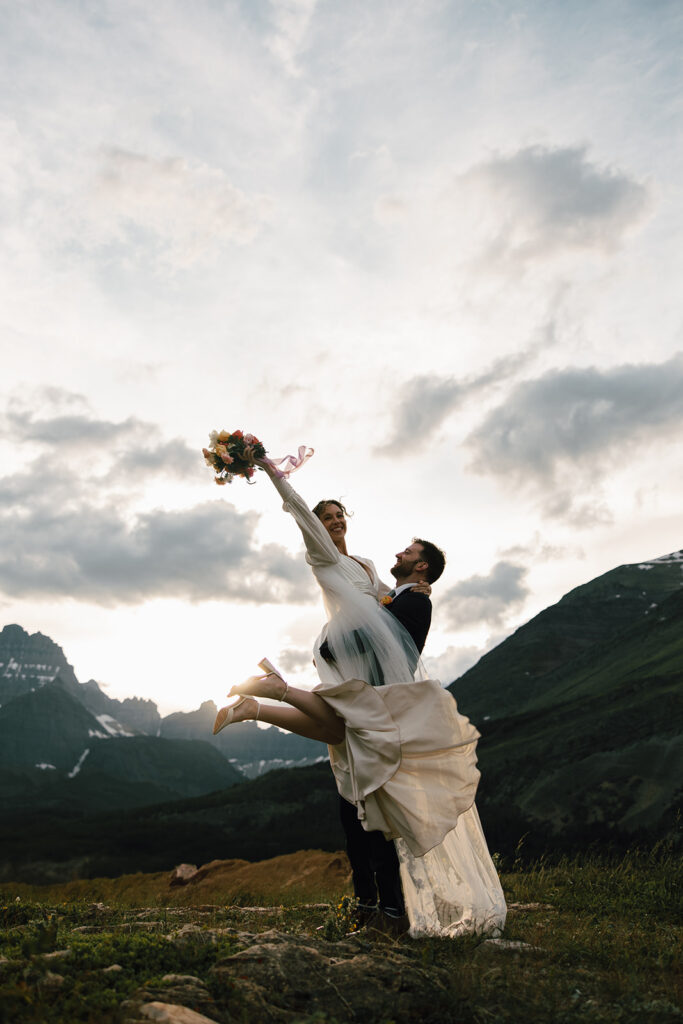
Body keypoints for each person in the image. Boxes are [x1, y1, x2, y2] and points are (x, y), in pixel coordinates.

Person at [213, 457, 506, 938]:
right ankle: (270, 694)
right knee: (350, 742)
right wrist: (269, 468)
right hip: (349, 661)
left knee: (339, 738)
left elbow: (385, 611)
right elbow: (302, 516)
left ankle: (264, 699)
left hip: (370, 676)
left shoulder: (372, 570)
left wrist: (408, 593)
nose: (333, 523)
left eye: (338, 517)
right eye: (326, 518)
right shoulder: (323, 556)